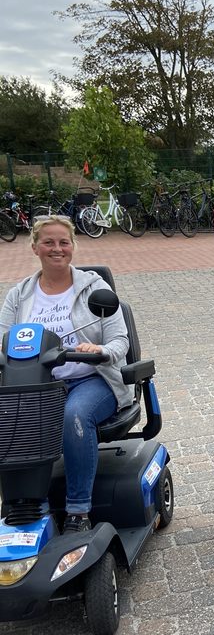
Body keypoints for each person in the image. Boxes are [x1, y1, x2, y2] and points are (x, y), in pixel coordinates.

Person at [0, 216, 132, 532]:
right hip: (37, 385)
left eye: (64, 242)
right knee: (13, 420)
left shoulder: (94, 288)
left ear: (72, 246)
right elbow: (3, 342)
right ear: (34, 247)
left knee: (74, 415)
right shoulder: (18, 296)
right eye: (49, 242)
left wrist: (100, 351)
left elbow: (119, 341)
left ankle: (78, 511)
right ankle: (30, 506)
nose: (57, 249)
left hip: (91, 379)